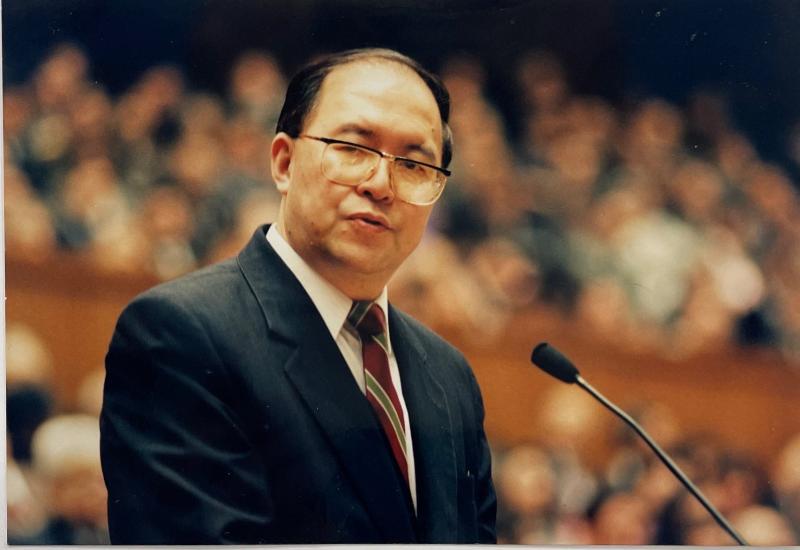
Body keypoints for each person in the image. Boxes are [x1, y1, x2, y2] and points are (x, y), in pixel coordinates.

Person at [100, 48, 497, 544]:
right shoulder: (182, 334)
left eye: (414, 164)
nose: (381, 185)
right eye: (353, 148)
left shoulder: (450, 376)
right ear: (284, 163)